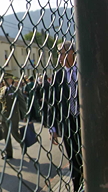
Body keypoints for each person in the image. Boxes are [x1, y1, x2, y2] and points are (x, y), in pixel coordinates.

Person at [49, 41, 82, 191]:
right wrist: (53, 128)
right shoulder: (58, 76)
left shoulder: (84, 70)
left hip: (86, 122)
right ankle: (78, 186)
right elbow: (53, 103)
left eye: (62, 53)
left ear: (72, 53)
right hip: (68, 124)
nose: (59, 57)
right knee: (74, 160)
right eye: (59, 54)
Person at [0, 73, 26, 160]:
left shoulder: (15, 89)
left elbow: (22, 102)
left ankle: (23, 143)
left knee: (14, 133)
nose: (5, 81)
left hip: (13, 115)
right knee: (6, 135)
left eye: (7, 79)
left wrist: (24, 115)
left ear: (11, 80)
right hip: (4, 115)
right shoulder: (1, 90)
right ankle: (8, 153)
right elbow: (0, 104)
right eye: (4, 79)